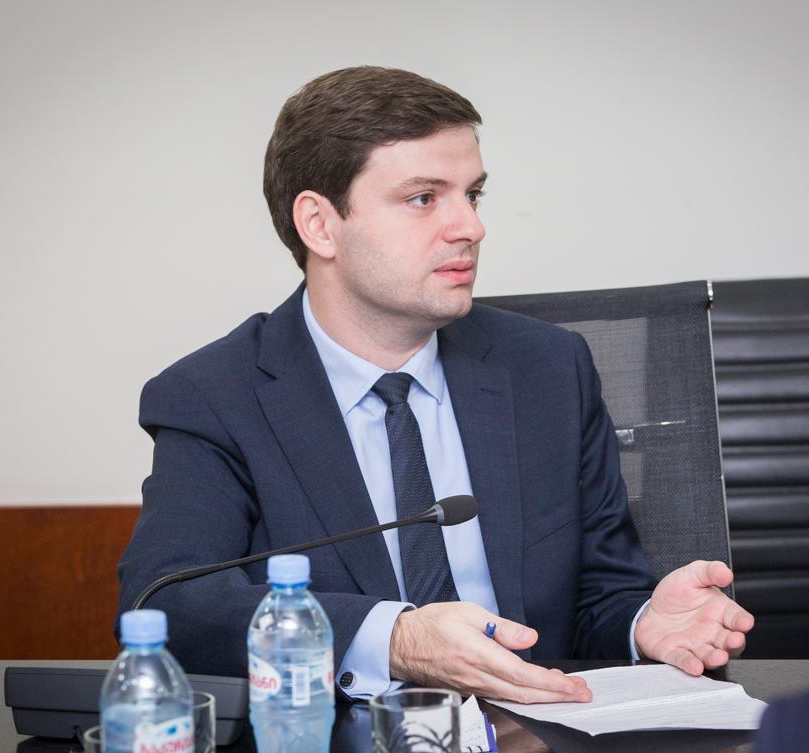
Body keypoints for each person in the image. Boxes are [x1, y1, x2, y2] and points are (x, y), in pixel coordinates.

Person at [117, 66, 753, 704]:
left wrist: (642, 624)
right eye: (424, 198)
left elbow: (597, 597)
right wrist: (394, 638)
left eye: (472, 195)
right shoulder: (214, 396)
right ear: (319, 224)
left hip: (535, 727)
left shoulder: (548, 369)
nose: (470, 227)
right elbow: (166, 603)